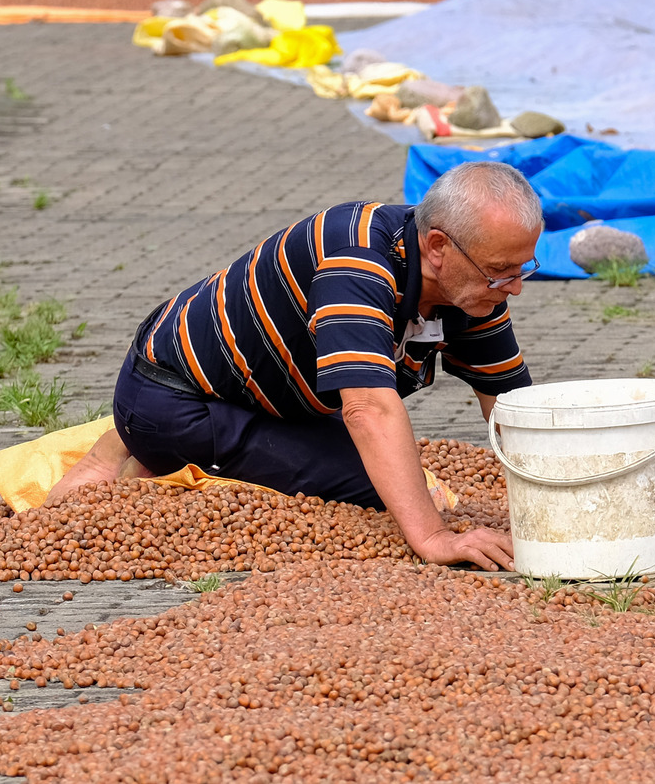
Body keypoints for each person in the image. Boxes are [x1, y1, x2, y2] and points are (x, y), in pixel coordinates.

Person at [48, 162, 541, 571]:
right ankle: (139, 447)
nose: (514, 288)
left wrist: (557, 505)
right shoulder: (358, 261)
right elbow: (368, 410)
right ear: (437, 247)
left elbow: (513, 408)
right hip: (176, 396)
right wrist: (433, 537)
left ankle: (128, 438)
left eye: (522, 268)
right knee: (385, 491)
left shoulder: (473, 286)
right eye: (501, 271)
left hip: (253, 387)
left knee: (400, 476)